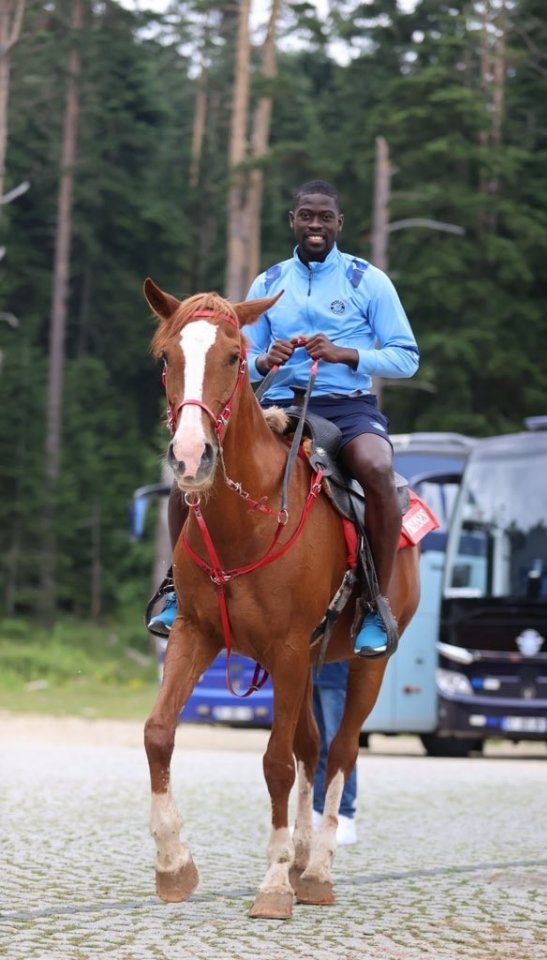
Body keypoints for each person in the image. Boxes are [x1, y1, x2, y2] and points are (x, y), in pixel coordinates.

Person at [149, 179, 419, 657]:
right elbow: (231, 358)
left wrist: (345, 354)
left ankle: (375, 604)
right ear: (292, 221)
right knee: (188, 477)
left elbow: (406, 358)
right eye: (306, 216)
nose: (315, 225)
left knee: (376, 469)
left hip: (348, 407)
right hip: (281, 405)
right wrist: (264, 361)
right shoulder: (268, 284)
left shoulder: (367, 280)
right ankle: (177, 588)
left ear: (340, 224)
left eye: (325, 217)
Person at [312, 661, 358, 845]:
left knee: (340, 747)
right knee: (316, 747)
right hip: (311, 676)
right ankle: (318, 810)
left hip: (337, 677)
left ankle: (344, 815)